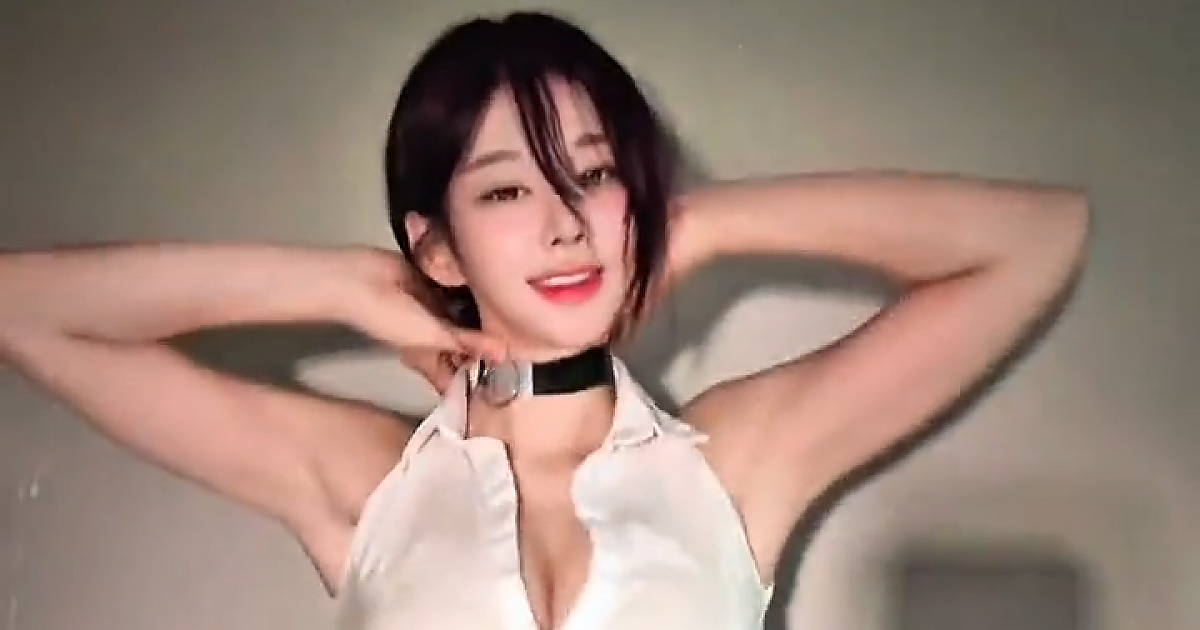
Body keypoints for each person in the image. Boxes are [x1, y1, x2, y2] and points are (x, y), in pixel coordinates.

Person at [0, 10, 1089, 630]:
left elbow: (1036, 241)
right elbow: (21, 308)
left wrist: (696, 225)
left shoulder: (735, 464)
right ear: (439, 244)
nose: (567, 224)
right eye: (508, 189)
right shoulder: (368, 483)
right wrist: (341, 284)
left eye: (595, 174)